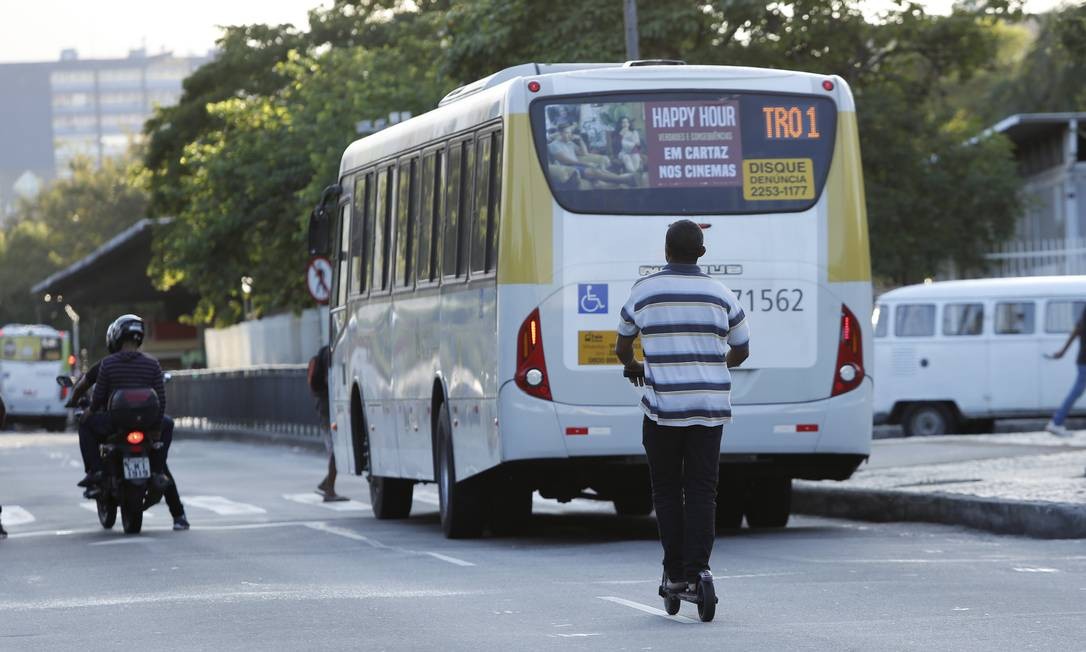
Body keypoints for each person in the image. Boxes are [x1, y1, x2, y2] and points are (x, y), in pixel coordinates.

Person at [614, 219, 750, 593]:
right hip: (710, 408)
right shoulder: (722, 293)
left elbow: (622, 344)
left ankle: (674, 574)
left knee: (668, 490)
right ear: (701, 253)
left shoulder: (645, 291)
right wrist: (713, 366)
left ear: (666, 251)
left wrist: (634, 365)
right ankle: (699, 571)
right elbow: (742, 348)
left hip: (663, 410)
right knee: (704, 490)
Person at [75, 314, 189, 530]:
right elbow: (161, 400)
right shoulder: (152, 364)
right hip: (147, 426)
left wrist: (89, 411)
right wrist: (155, 428)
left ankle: (96, 471)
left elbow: (97, 397)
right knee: (162, 461)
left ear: (115, 338)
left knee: (85, 424)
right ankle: (178, 513)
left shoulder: (106, 364)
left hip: (115, 424)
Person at [309, 344, 347, 501]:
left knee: (335, 450)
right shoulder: (331, 353)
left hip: (323, 406)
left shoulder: (324, 351)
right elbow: (329, 380)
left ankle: (326, 484)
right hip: (328, 408)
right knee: (335, 451)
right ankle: (329, 490)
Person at [548, 123, 637, 186]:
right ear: (560, 133)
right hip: (570, 169)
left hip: (578, 166)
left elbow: (584, 153)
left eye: (570, 132)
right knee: (594, 171)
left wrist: (580, 140)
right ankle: (625, 180)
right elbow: (566, 161)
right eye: (567, 133)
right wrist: (586, 164)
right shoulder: (554, 145)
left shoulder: (570, 143)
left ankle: (623, 180)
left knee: (599, 172)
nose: (569, 135)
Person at [1044, 307, 1086, 438]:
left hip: (1082, 359)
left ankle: (1056, 422)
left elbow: (1076, 330)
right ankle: (1056, 422)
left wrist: (1063, 351)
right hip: (1084, 360)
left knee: (1076, 392)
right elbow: (1077, 330)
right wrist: (1063, 351)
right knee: (1076, 391)